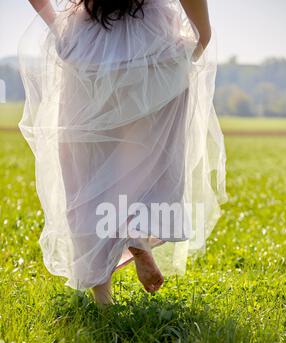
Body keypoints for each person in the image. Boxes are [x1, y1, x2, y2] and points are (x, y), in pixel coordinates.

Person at [19, 0, 227, 305]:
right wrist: (202, 36)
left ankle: (103, 298)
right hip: (152, 43)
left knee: (85, 170)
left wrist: (59, 27)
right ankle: (136, 231)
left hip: (88, 42)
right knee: (150, 158)